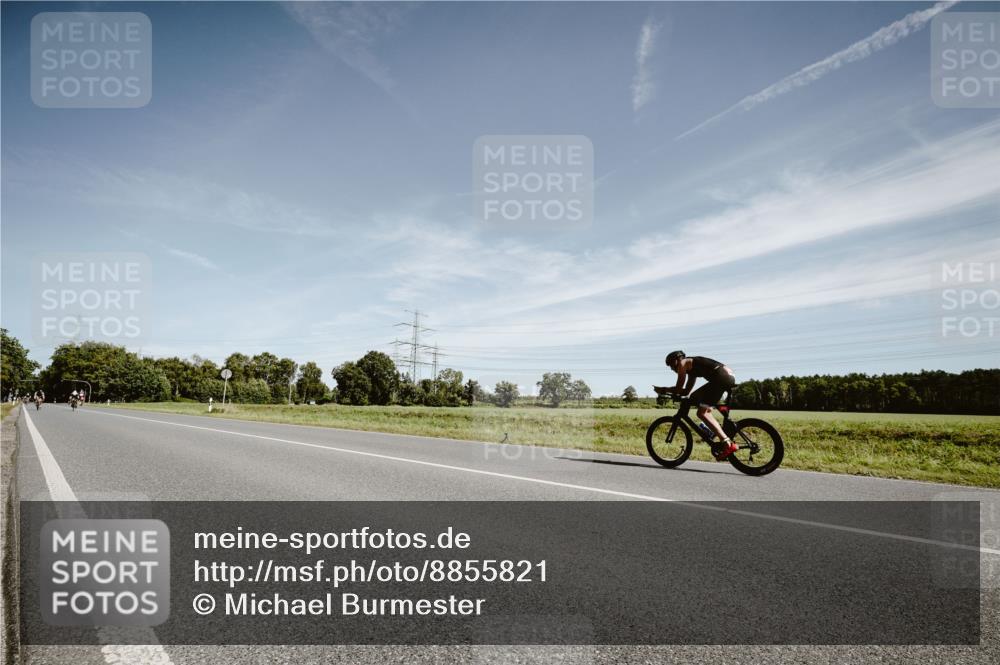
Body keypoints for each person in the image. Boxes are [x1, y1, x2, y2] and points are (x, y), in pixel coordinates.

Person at [662, 350, 738, 460]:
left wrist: (664, 390)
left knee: (701, 413)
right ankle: (712, 429)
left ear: (677, 360)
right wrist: (673, 392)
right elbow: (686, 392)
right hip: (726, 375)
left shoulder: (683, 363)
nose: (672, 369)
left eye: (671, 365)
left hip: (720, 377)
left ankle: (727, 444)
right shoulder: (691, 369)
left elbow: (679, 388)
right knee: (695, 398)